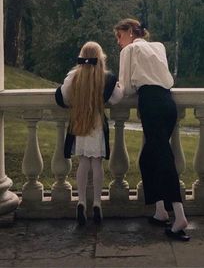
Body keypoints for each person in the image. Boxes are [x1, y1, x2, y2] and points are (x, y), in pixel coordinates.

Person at [114, 18, 190, 242]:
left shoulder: (129, 50)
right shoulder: (158, 47)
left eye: (119, 36)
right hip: (168, 103)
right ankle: (160, 211)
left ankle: (180, 217)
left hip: (151, 103)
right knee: (148, 158)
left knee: (163, 157)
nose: (118, 42)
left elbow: (126, 88)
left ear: (129, 32)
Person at [55, 41, 122, 226]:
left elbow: (64, 96)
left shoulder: (74, 76)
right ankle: (98, 203)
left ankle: (82, 201)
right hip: (97, 125)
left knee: (83, 162)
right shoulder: (105, 78)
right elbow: (118, 97)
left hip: (80, 123)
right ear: (100, 58)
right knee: (97, 163)